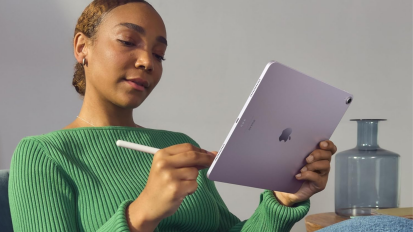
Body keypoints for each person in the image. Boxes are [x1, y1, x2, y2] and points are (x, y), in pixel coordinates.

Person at [8, 1, 337, 231]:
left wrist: (282, 200)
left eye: (159, 53)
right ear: (82, 47)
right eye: (127, 41)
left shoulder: (178, 145)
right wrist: (141, 214)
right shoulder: (43, 154)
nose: (147, 62)